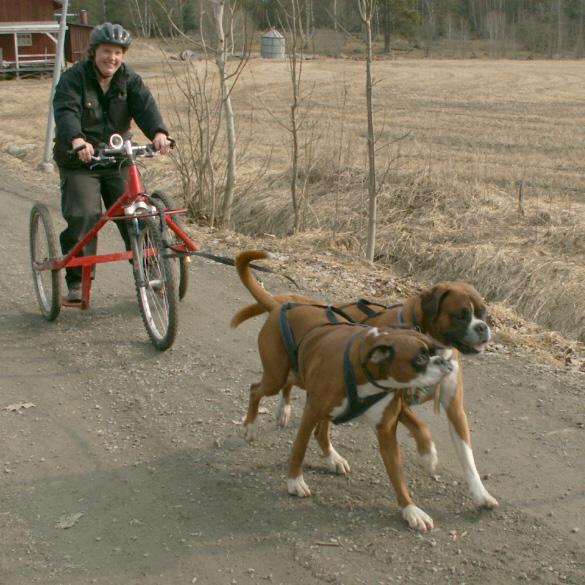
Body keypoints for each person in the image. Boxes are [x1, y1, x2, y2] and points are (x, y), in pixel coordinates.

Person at [53, 22, 171, 302]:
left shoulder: (128, 79)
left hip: (117, 158)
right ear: (94, 51)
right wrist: (77, 140)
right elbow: (66, 110)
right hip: (80, 160)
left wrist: (158, 132)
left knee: (138, 212)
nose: (112, 58)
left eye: (118, 53)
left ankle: (151, 271)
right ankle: (77, 281)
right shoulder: (74, 79)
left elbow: (145, 106)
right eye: (107, 51)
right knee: (84, 214)